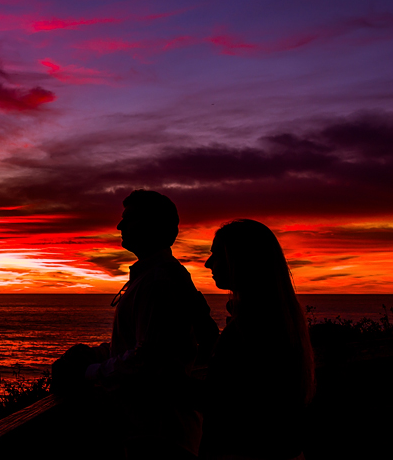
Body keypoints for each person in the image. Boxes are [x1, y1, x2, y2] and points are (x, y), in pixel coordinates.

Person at [53, 190, 218, 458]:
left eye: (128, 219)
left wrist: (88, 371)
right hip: (155, 431)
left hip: (158, 436)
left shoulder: (158, 282)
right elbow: (148, 344)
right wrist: (95, 355)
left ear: (150, 225)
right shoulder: (157, 276)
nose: (120, 226)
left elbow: (149, 359)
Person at [200, 219, 315, 460]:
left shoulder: (253, 326)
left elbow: (225, 399)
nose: (208, 263)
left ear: (243, 261)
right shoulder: (278, 318)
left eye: (218, 255)